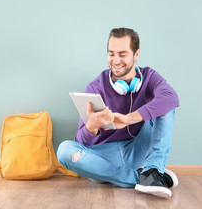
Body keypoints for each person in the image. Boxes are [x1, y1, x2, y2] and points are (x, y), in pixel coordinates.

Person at [57, 27, 180, 199]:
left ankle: (153, 169)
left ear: (136, 54)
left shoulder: (149, 77)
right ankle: (146, 178)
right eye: (111, 54)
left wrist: (130, 118)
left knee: (166, 106)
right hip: (103, 159)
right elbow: (80, 143)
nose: (115, 60)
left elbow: (172, 97)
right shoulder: (94, 88)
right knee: (64, 150)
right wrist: (91, 128)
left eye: (122, 54)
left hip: (137, 148)